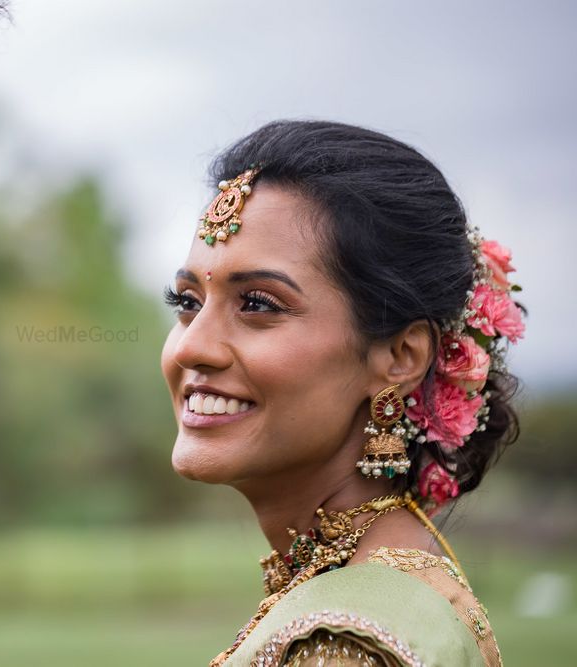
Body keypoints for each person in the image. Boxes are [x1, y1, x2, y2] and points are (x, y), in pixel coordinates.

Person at [161, 120, 523, 666]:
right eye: (187, 301)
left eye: (258, 303)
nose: (193, 348)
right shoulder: (363, 587)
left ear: (401, 358)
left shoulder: (344, 645)